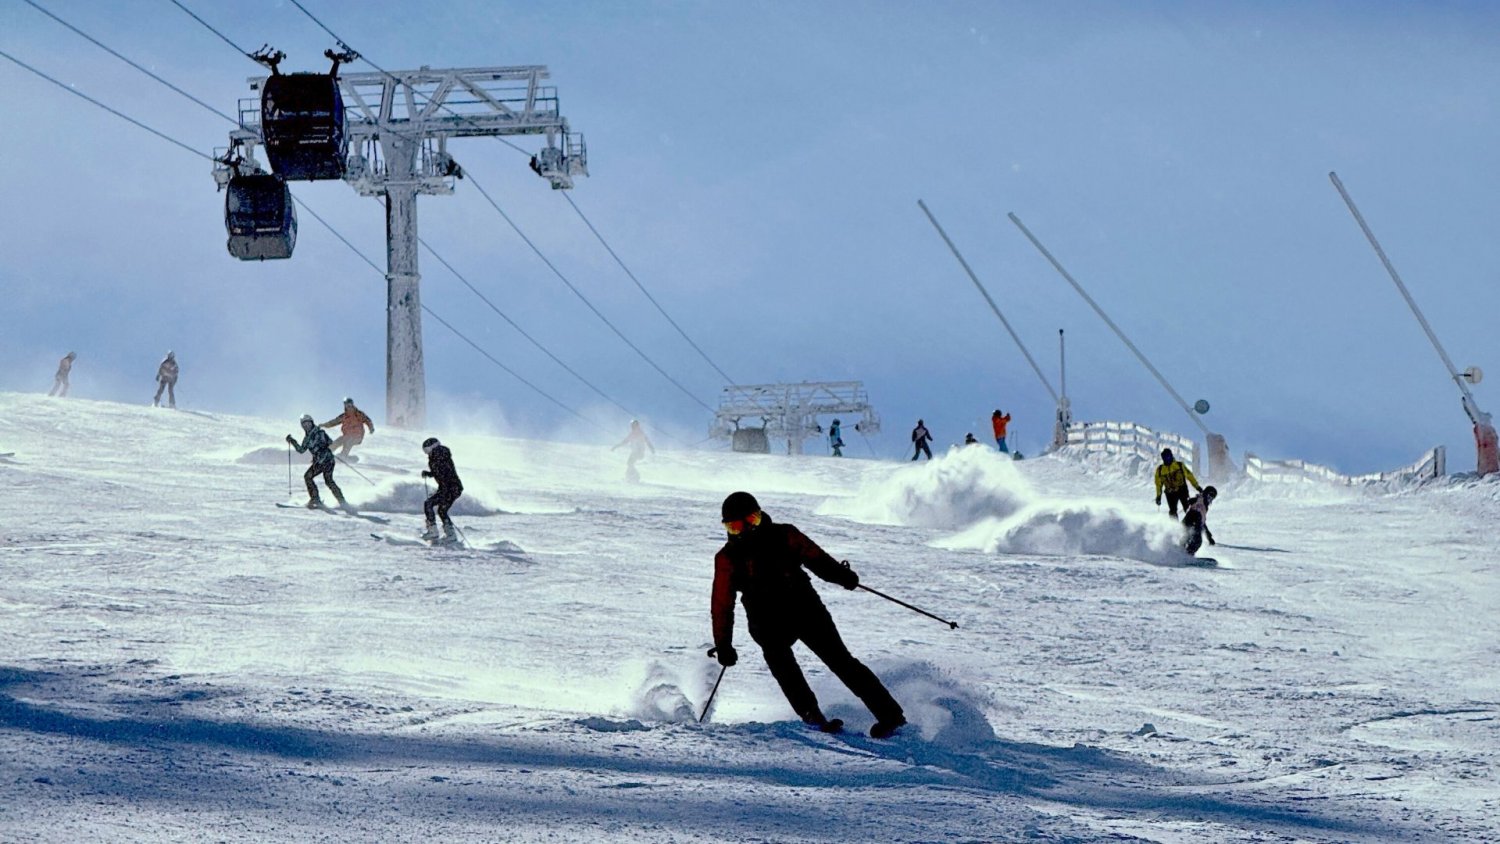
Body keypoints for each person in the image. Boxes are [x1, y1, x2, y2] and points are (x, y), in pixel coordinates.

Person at [711, 491, 907, 738]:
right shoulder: (728, 558)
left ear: (760, 516)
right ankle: (812, 715)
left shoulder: (784, 534)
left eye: (751, 520)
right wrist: (723, 645)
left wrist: (841, 576)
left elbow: (816, 559)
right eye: (737, 526)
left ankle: (889, 715)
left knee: (840, 661)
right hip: (766, 619)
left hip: (804, 608)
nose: (747, 529)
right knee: (784, 667)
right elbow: (722, 604)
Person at [286, 414, 346, 509]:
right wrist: (292, 441)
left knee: (318, 478)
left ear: (312, 423)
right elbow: (301, 450)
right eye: (304, 424)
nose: (306, 425)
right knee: (319, 479)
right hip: (321, 462)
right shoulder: (307, 438)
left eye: (308, 423)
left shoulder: (319, 432)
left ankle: (320, 500)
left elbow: (330, 443)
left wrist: (324, 448)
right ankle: (337, 501)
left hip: (327, 461)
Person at [421, 437, 463, 541]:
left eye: (427, 450)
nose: (426, 453)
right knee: (442, 510)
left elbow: (442, 471)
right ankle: (450, 534)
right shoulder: (439, 456)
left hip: (449, 488)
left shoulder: (438, 455)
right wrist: (429, 474)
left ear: (432, 447)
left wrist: (442, 490)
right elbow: (441, 471)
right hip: (454, 488)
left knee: (428, 504)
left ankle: (433, 531)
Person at [1154, 448, 1203, 519]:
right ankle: (1174, 524)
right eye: (1165, 457)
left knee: (1187, 507)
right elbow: (1158, 484)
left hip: (1182, 489)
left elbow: (1190, 476)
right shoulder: (1160, 470)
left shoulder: (1179, 465)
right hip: (1170, 493)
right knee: (1172, 511)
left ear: (1171, 456)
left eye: (1168, 456)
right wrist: (1158, 496)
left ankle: (1191, 521)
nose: (1167, 459)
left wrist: (1197, 487)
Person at [1181, 485, 1218, 555]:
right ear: (1206, 493)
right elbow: (1195, 506)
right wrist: (1191, 501)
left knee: (1193, 540)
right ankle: (1185, 554)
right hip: (1191, 522)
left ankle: (1184, 553)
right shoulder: (1201, 500)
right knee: (1195, 541)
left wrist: (1209, 536)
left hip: (1193, 523)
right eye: (1210, 495)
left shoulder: (1205, 505)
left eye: (1213, 497)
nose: (1211, 498)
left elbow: (1202, 522)